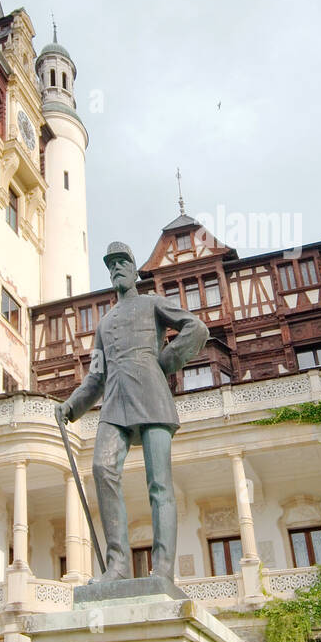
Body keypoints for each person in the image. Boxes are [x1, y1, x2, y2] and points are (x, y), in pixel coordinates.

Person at [56, 242, 208, 583]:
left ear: (135, 270)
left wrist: (165, 363)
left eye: (122, 262)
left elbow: (196, 328)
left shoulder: (152, 303)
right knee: (101, 467)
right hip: (113, 404)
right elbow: (95, 377)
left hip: (153, 398)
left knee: (159, 485)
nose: (116, 269)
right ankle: (119, 566)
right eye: (111, 265)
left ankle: (164, 570)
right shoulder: (104, 324)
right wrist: (71, 407)